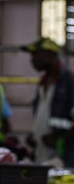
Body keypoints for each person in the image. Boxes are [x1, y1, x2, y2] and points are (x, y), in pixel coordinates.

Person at [22, 36, 74, 164]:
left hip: (63, 155)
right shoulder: (43, 84)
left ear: (50, 56)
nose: (32, 60)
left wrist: (59, 139)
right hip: (42, 154)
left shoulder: (69, 82)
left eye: (35, 55)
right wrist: (35, 137)